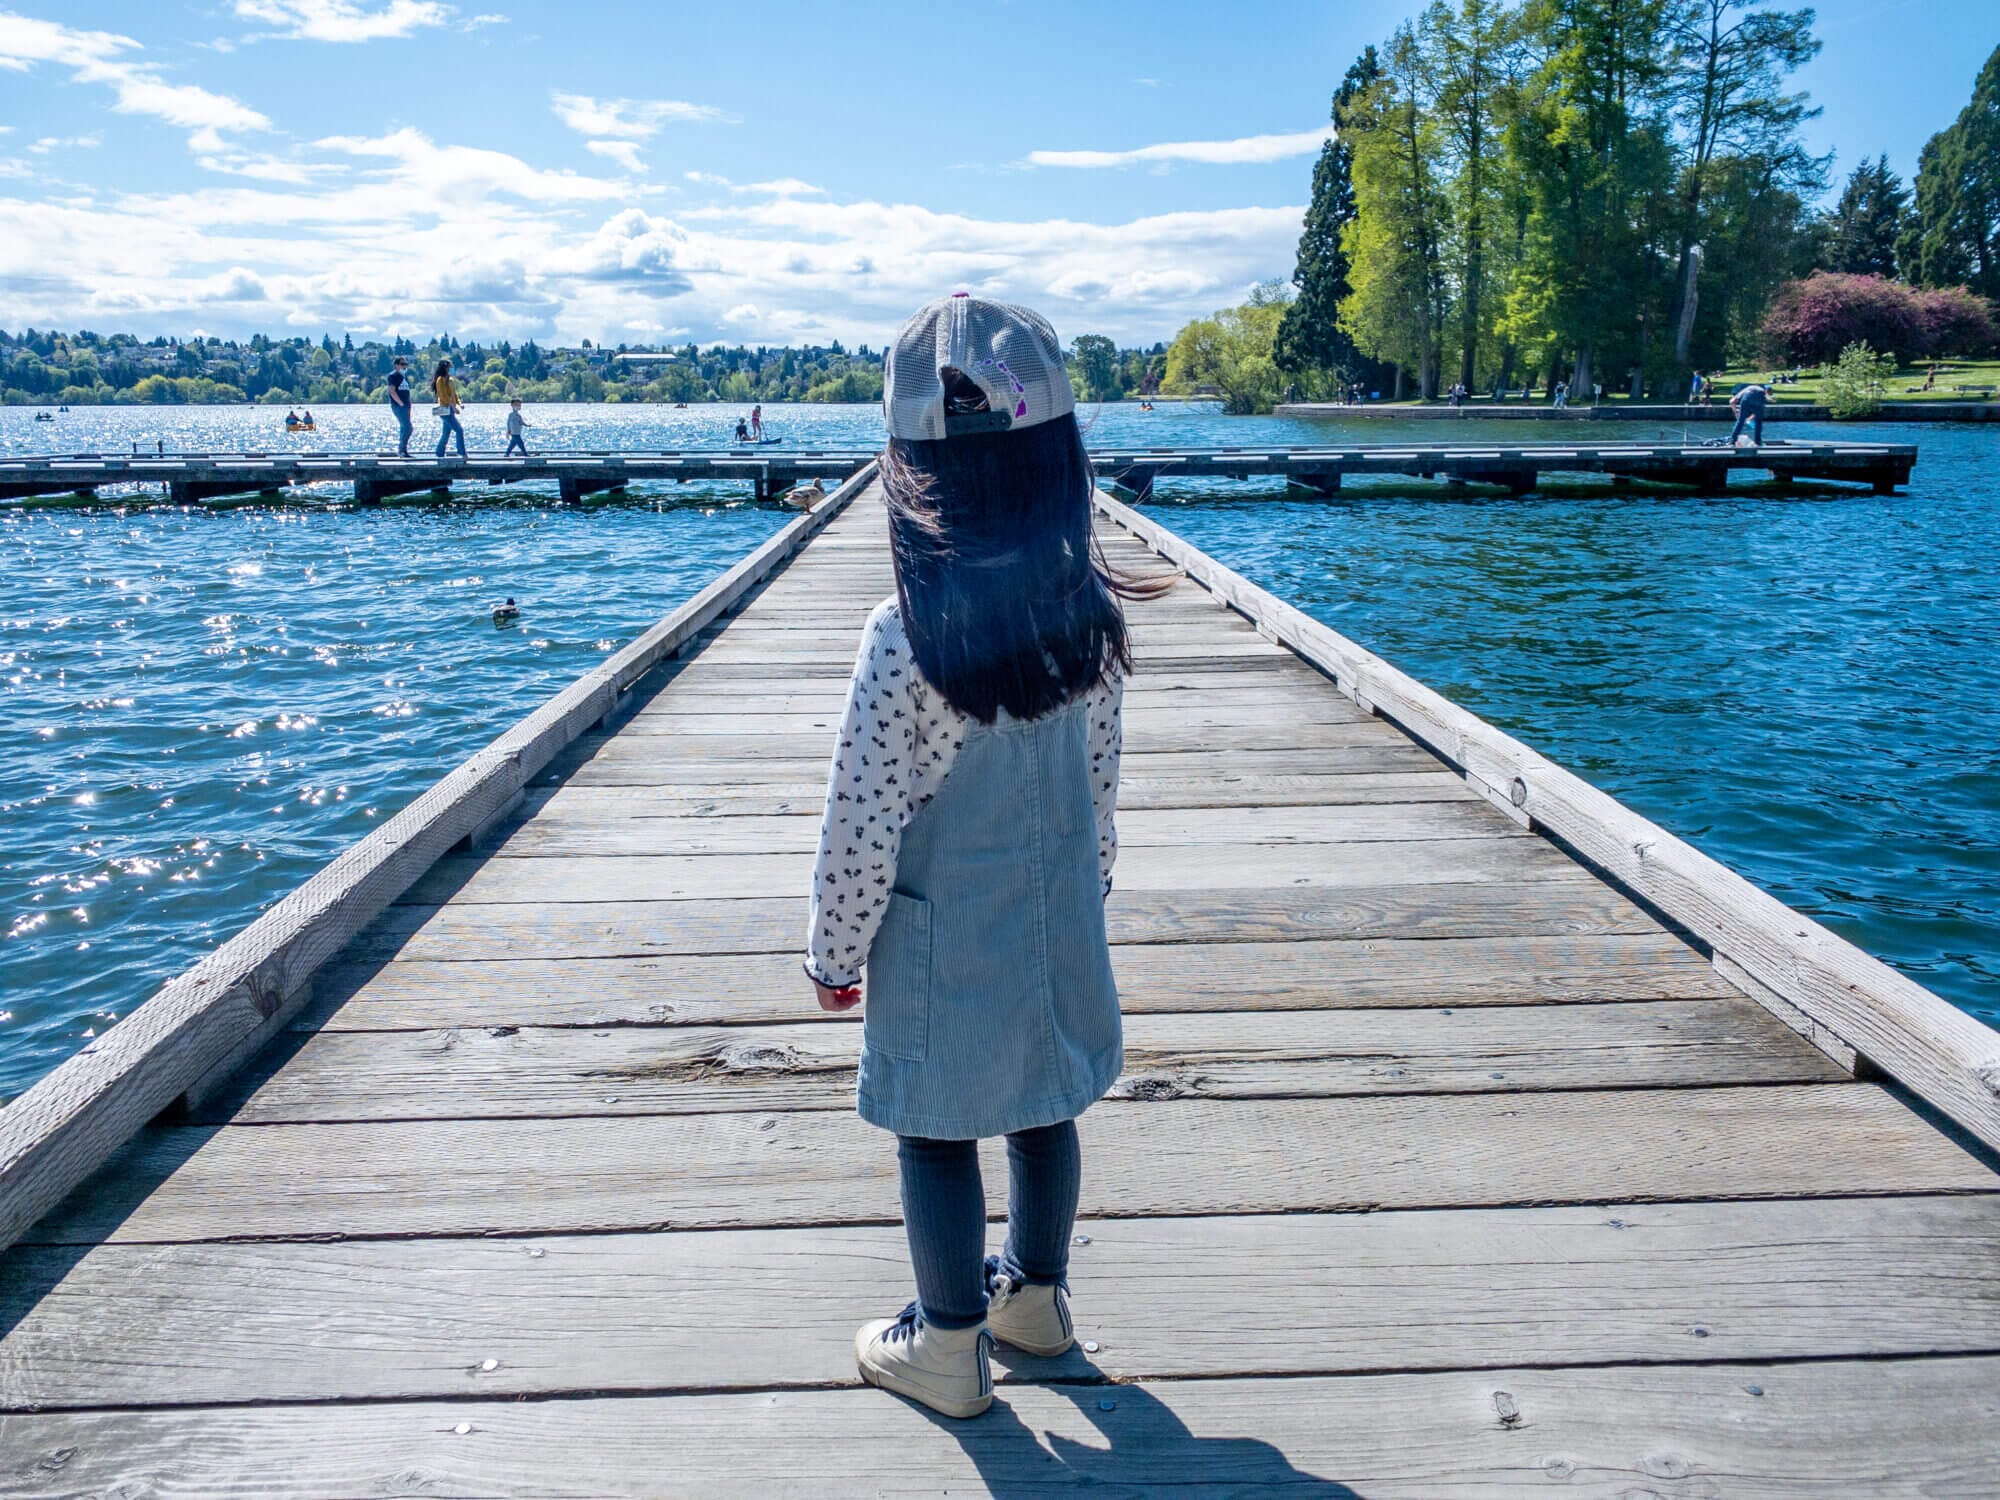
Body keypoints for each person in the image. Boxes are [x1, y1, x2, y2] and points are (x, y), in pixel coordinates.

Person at [810, 293, 1152, 1421]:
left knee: (934, 1127)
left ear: (907, 475)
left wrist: (833, 952)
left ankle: (947, 1342)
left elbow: (860, 818)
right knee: (1045, 1103)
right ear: (1061, 462)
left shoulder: (902, 636)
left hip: (939, 928)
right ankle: (1036, 1302)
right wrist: (1090, 879)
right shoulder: (1086, 611)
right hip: (1054, 909)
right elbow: (1097, 779)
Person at [431, 358, 466, 459]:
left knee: (446, 433)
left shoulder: (450, 380)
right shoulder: (440, 380)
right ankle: (462, 452)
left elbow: (453, 394)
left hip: (450, 410)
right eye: (450, 367)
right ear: (445, 368)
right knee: (459, 430)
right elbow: (443, 396)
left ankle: (439, 452)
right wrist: (453, 407)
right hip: (445, 410)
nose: (451, 369)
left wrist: (459, 404)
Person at [386, 356, 413, 457]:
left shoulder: (404, 376)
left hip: (406, 405)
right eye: (402, 364)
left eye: (406, 364)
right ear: (396, 365)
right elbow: (391, 391)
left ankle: (403, 451)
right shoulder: (393, 376)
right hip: (398, 406)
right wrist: (400, 403)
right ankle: (401, 450)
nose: (405, 366)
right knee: (407, 427)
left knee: (405, 427)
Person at [1728, 379, 1769, 445]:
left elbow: (1731, 401)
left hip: (1747, 397)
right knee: (1758, 422)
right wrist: (1750, 417)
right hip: (1760, 397)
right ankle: (1758, 442)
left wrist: (1736, 413)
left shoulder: (1745, 390)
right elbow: (1758, 410)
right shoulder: (1762, 391)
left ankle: (1732, 441)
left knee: (1740, 421)